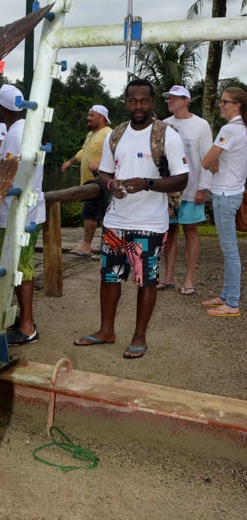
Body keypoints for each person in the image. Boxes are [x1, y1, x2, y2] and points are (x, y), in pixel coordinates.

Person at [74, 78, 188, 358]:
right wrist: (110, 185)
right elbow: (103, 172)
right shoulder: (117, 134)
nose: (138, 106)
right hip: (116, 221)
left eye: (144, 101)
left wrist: (148, 183)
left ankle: (139, 337)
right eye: (133, 101)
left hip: (150, 223)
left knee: (146, 281)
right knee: (109, 278)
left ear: (152, 103)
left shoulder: (167, 135)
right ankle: (106, 331)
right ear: (125, 103)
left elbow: (182, 179)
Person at [0, 84, 44, 346]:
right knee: (20, 267)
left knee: (20, 269)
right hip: (29, 210)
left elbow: (9, 175)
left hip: (16, 213)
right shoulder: (27, 128)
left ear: (4, 110)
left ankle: (26, 327)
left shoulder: (15, 136)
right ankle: (22, 321)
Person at [158, 85, 213, 295]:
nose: (171, 100)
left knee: (191, 233)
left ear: (186, 101)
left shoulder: (201, 125)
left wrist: (204, 188)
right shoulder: (163, 125)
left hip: (192, 188)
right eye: (169, 97)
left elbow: (207, 157)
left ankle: (189, 280)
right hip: (170, 190)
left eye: (176, 97)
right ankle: (168, 276)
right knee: (169, 232)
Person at [199, 86, 247, 316]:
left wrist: (211, 162)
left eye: (225, 102)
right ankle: (227, 295)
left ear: (237, 105)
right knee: (228, 249)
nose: (221, 104)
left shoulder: (230, 129)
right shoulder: (241, 129)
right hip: (232, 191)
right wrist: (213, 161)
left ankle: (233, 303)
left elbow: (206, 159)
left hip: (226, 194)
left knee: (229, 250)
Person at [60, 104, 113, 258]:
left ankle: (86, 246)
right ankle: (104, 243)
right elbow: (84, 152)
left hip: (100, 182)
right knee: (99, 213)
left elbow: (117, 153)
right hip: (89, 182)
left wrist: (101, 163)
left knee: (91, 213)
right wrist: (70, 162)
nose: (88, 118)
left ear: (102, 118)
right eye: (88, 115)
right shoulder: (91, 134)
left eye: (91, 115)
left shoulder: (108, 134)